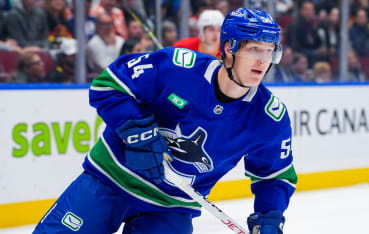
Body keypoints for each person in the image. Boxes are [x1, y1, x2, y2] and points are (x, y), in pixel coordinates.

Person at [33, 8, 297, 234]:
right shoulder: (176, 67)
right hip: (110, 180)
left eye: (269, 50)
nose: (263, 61)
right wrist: (138, 132)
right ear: (229, 48)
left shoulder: (269, 118)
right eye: (254, 49)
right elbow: (108, 85)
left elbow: (275, 175)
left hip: (172, 208)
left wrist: (269, 218)